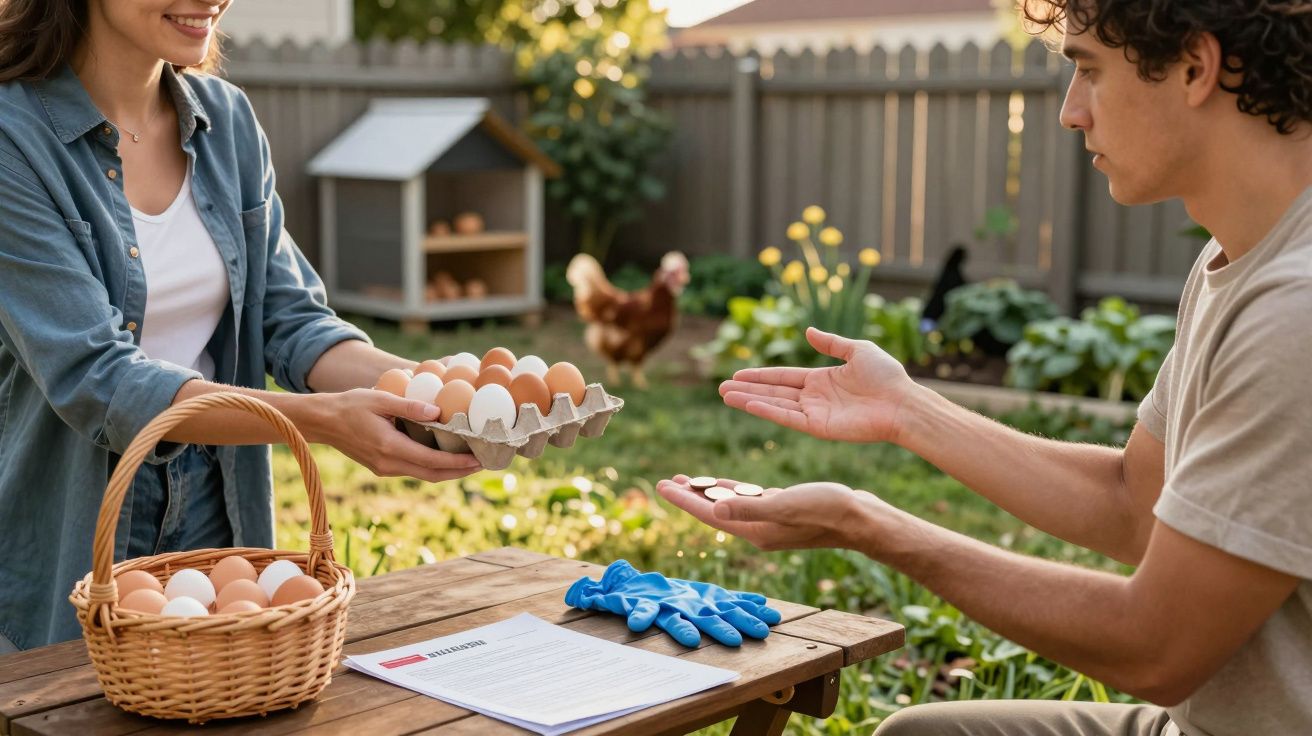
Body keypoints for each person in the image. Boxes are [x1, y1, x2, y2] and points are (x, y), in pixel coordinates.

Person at [659, 1, 1312, 734]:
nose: (1072, 113)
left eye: (1089, 70)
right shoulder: (1238, 258)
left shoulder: (1296, 310)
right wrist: (908, 411)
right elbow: (1135, 502)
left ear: (1195, 66)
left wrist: (866, 523)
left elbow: (1156, 647)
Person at [0, 0, 482, 652]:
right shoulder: (13, 136)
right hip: (74, 518)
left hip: (217, 497)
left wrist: (422, 385)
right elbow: (98, 378)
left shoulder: (225, 121)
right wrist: (320, 422)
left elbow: (289, 317)